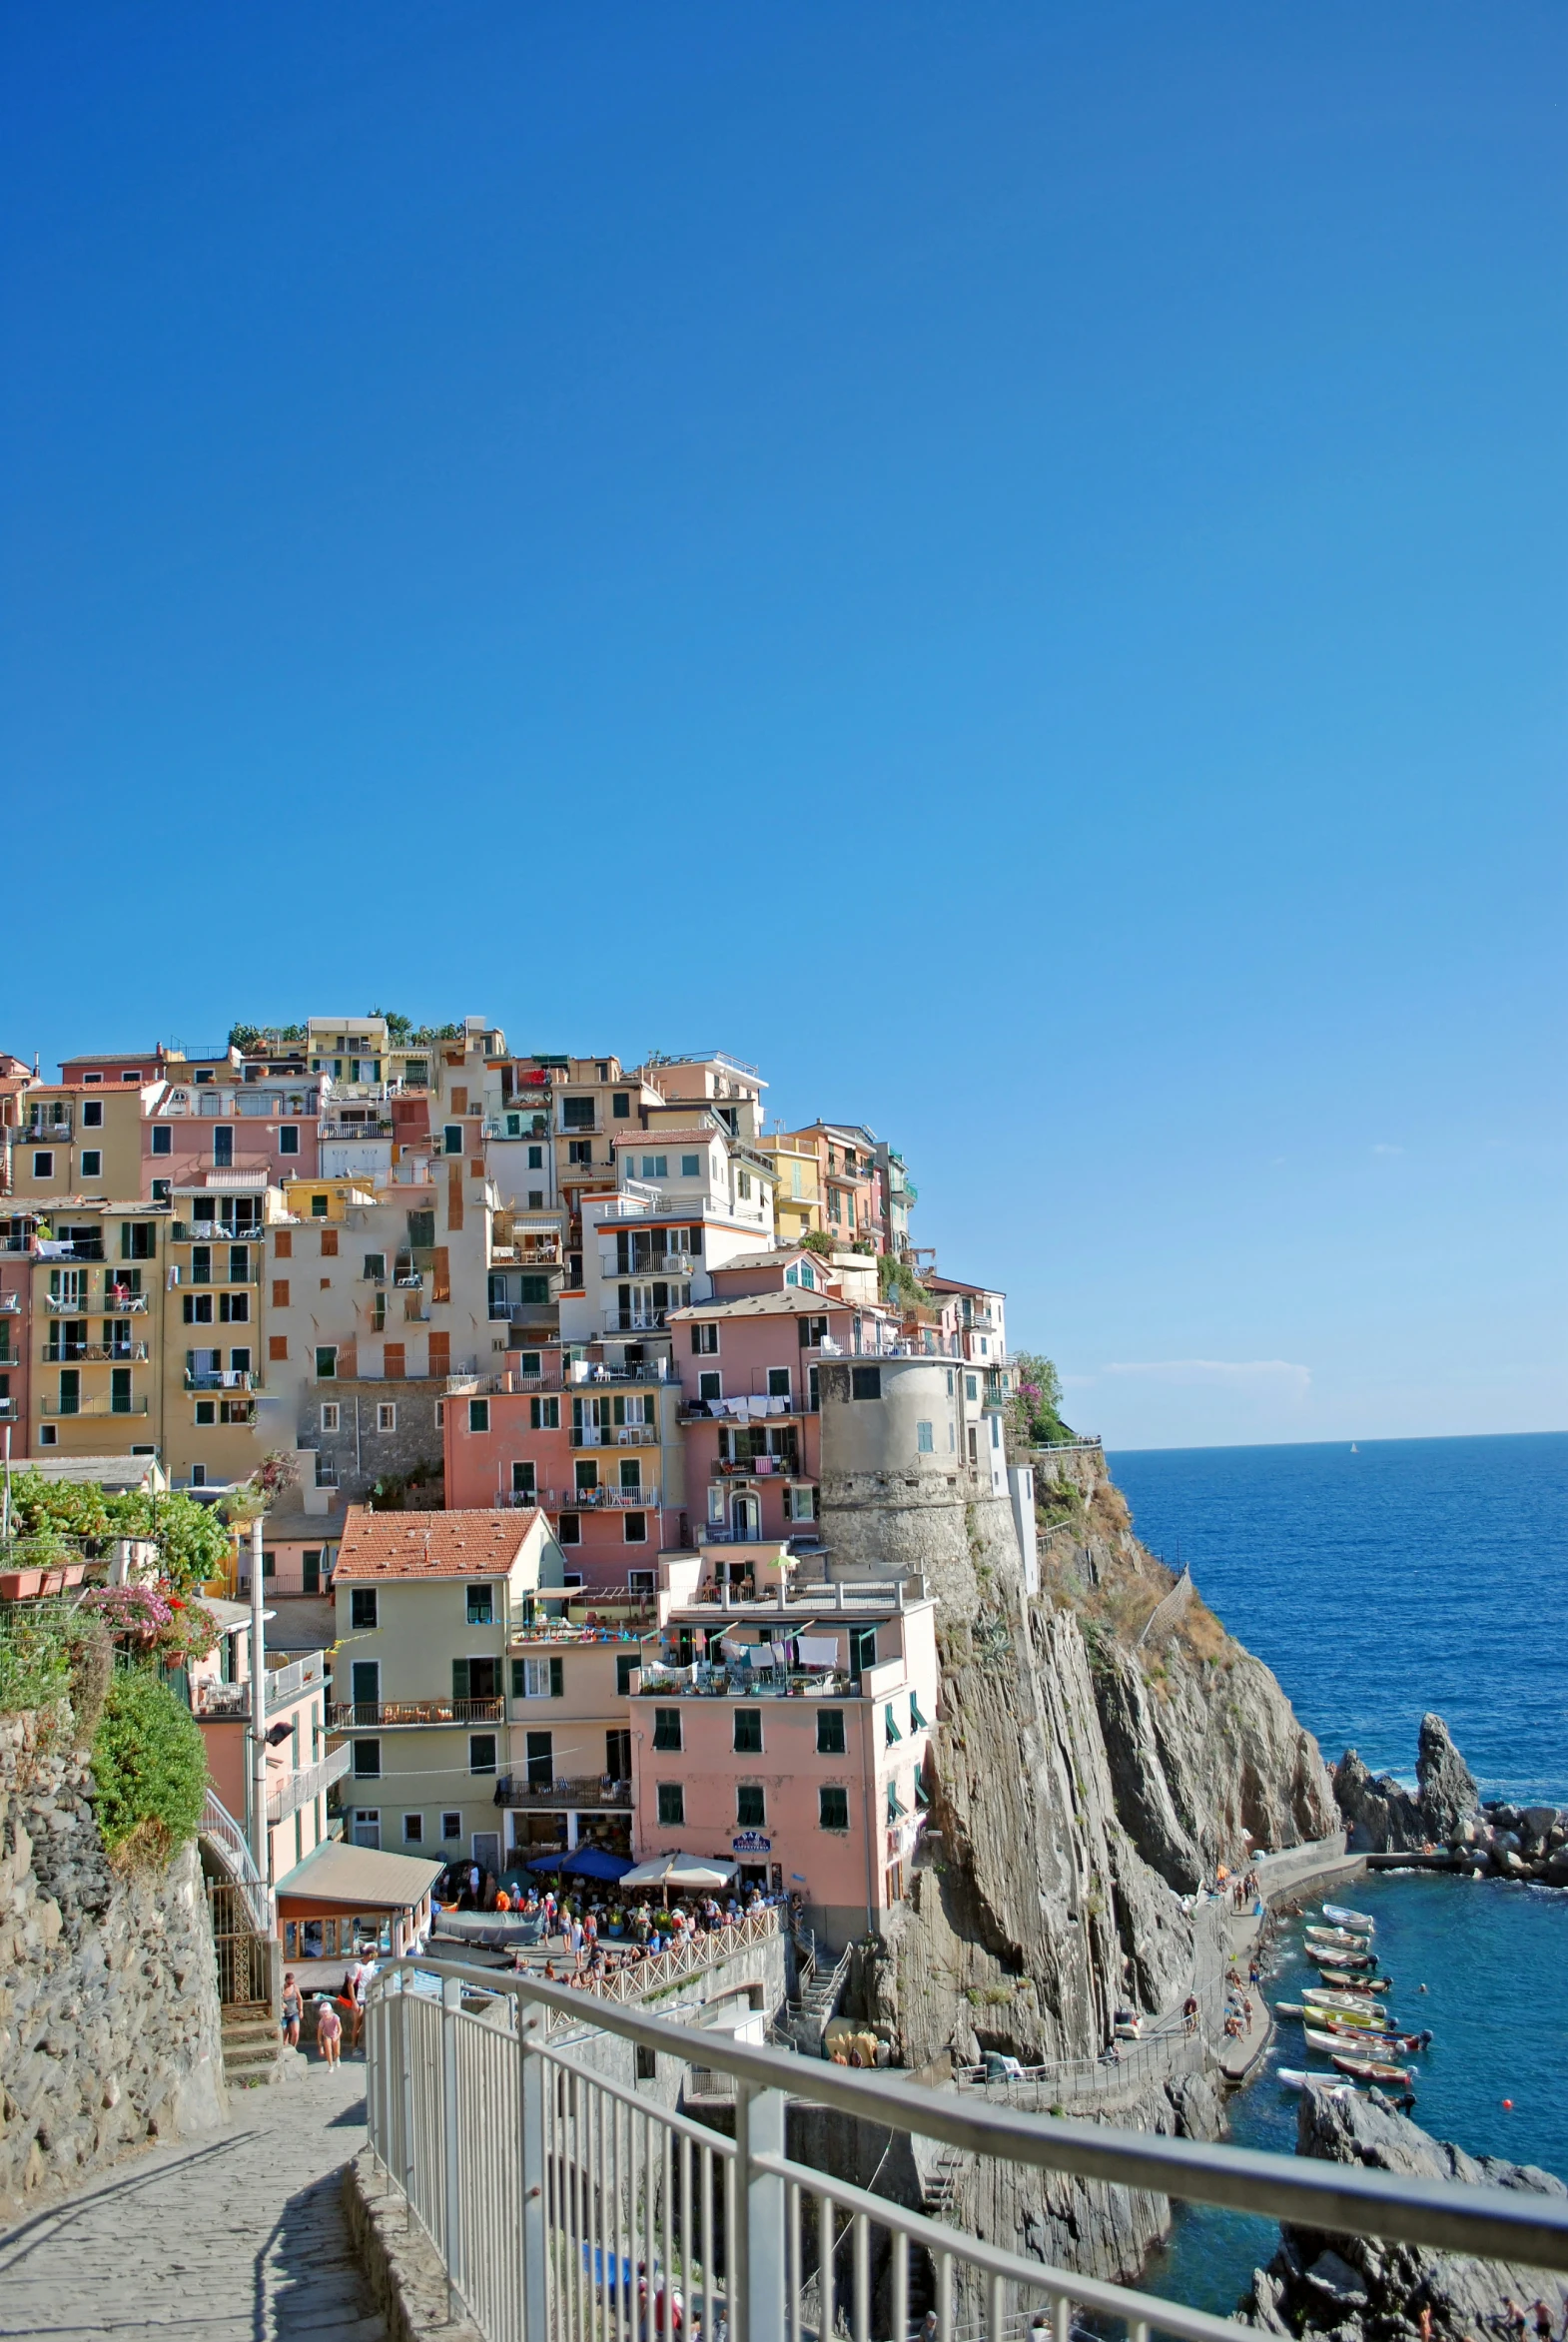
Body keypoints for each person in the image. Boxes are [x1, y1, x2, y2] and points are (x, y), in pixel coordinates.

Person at [316, 1994, 343, 2068]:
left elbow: (340, 2029)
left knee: (337, 2051)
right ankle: (331, 2066)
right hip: (327, 2035)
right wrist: (321, 2047)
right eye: (323, 2012)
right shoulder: (322, 2021)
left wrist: (337, 2037)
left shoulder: (335, 2017)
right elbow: (319, 2035)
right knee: (328, 2049)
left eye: (326, 2011)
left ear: (330, 2011)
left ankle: (337, 2058)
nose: (324, 2014)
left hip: (335, 2034)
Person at [281, 1971, 303, 2049]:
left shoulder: (295, 1987)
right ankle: (285, 2051)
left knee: (296, 2032)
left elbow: (300, 1998)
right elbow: (277, 2000)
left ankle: (293, 2048)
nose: (291, 1985)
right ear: (285, 1980)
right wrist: (281, 2004)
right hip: (284, 2015)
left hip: (294, 2013)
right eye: (289, 1983)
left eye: (292, 1982)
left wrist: (301, 2010)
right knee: (284, 2036)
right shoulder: (281, 1989)